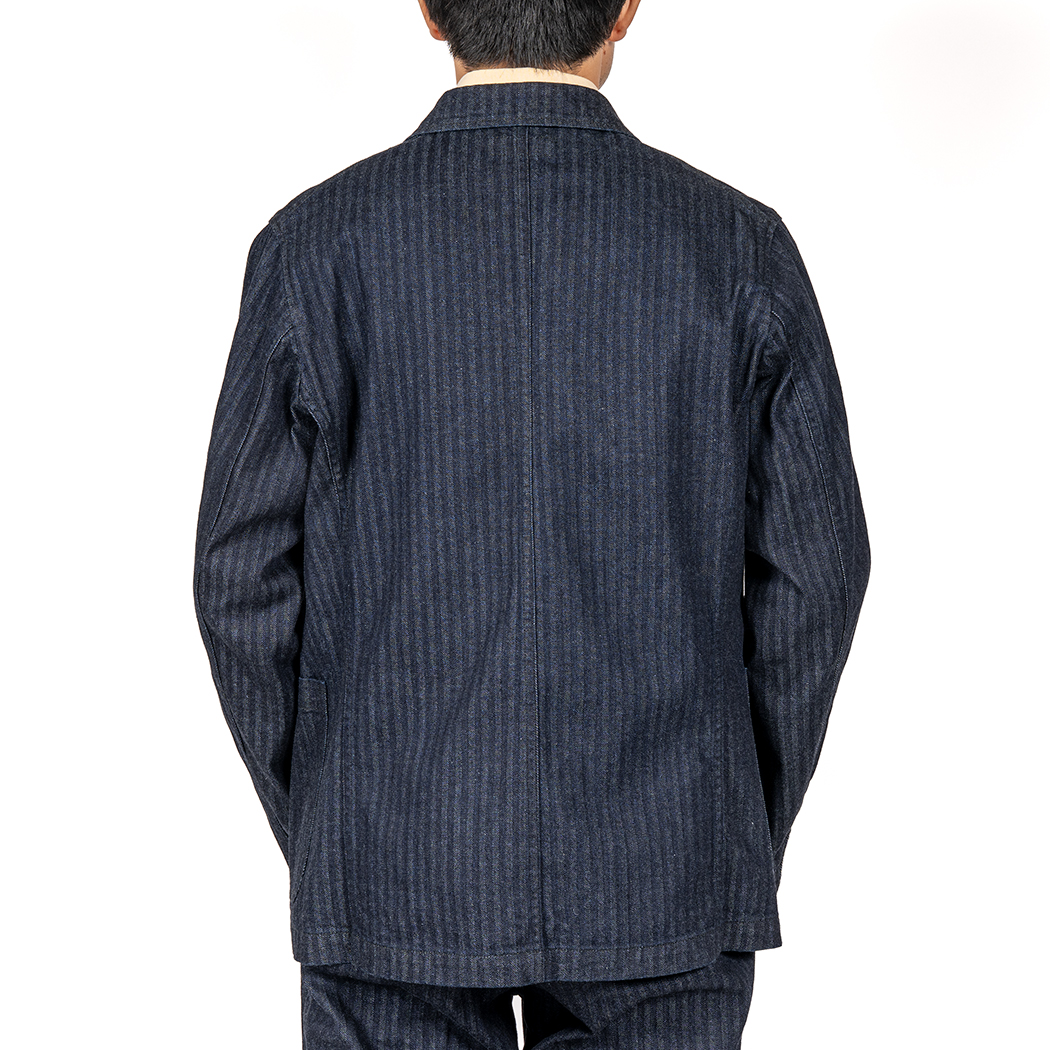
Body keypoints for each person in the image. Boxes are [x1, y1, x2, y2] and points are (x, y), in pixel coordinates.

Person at [192, 1, 871, 1046]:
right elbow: (816, 578)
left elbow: (238, 581)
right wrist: (725, 822)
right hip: (665, 861)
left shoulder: (314, 247)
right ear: (626, 10)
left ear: (430, 11)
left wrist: (339, 823)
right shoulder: (737, 248)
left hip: (393, 861)